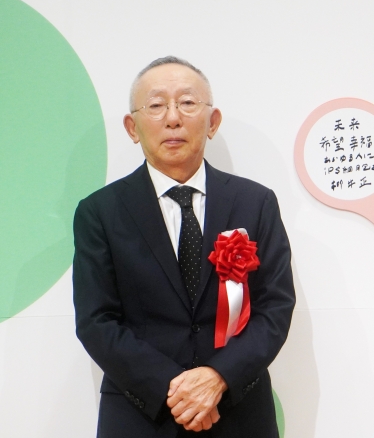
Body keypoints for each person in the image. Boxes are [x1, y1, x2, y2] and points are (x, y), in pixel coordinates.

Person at [73, 56, 294, 437]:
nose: (173, 118)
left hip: (238, 413)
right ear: (132, 127)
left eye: (188, 103)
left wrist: (218, 377)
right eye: (156, 105)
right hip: (142, 416)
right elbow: (96, 321)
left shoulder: (255, 203)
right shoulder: (100, 212)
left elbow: (275, 306)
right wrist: (175, 389)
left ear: (213, 122)